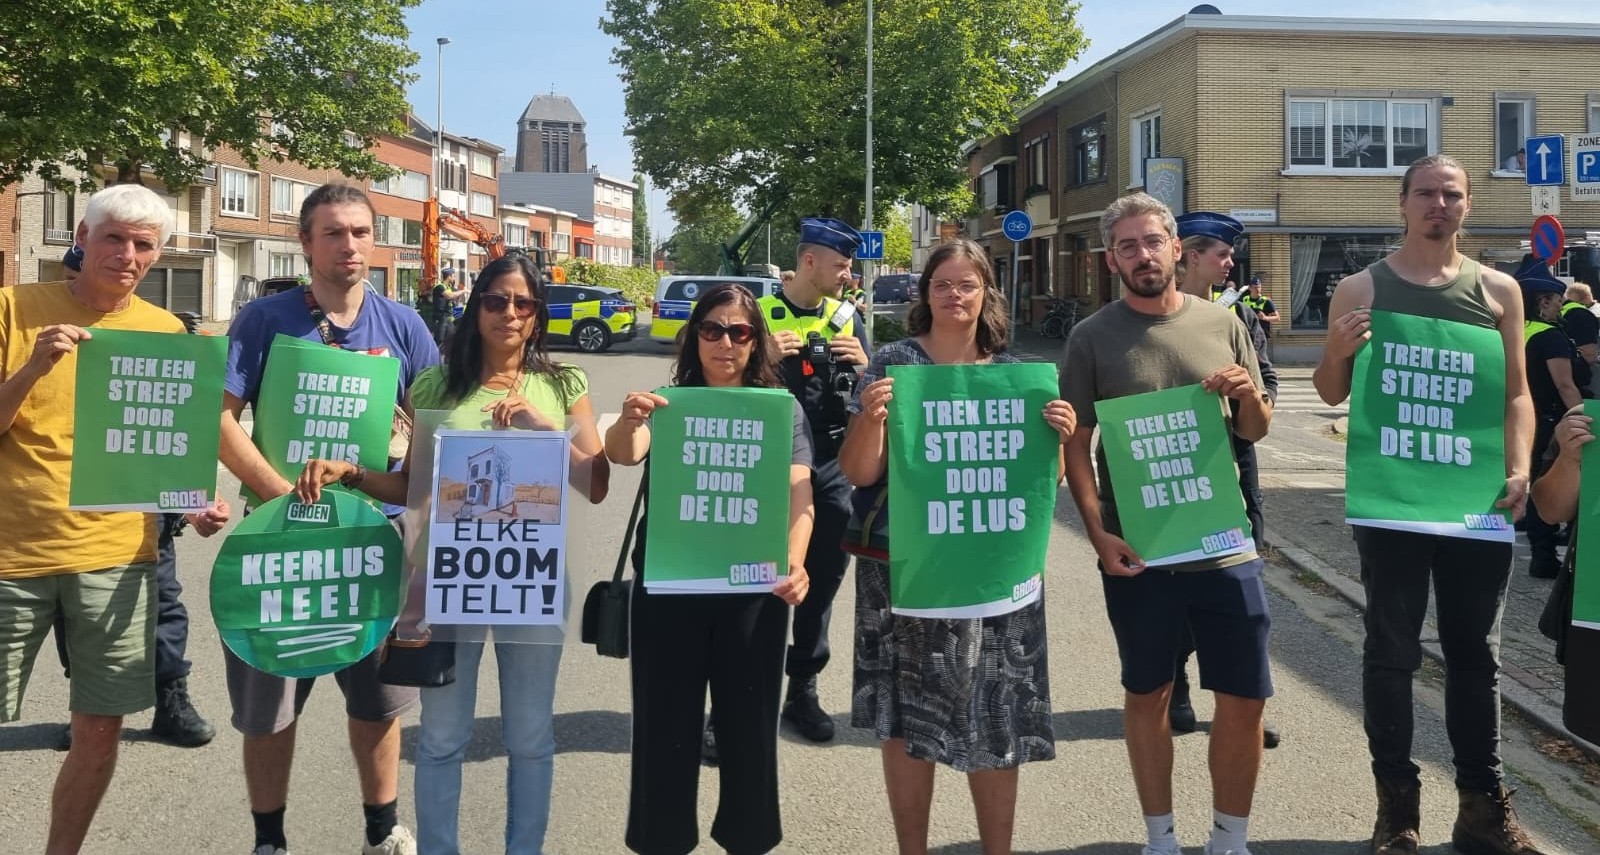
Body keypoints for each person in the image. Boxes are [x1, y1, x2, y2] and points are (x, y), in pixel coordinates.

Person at [294, 252, 611, 854]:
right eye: (496, 301)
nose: (509, 314)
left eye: (523, 303)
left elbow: (594, 483)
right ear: (476, 309)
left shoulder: (563, 384)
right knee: (441, 735)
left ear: (538, 315)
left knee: (530, 735)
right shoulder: (436, 385)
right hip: (447, 578)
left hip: (529, 577)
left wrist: (546, 430)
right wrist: (354, 474)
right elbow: (410, 484)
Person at [1312, 154, 1545, 855]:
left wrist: (1520, 465)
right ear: (1402, 202)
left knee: (1478, 654)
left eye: (1451, 194)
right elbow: (1329, 392)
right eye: (1425, 194)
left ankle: (1482, 809)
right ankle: (1397, 813)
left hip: (1475, 502)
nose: (1437, 205)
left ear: (1468, 205)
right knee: (1391, 652)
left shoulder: (1501, 291)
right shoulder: (1360, 287)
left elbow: (1516, 396)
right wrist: (1334, 346)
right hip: (1392, 504)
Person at [0, 184, 232, 853]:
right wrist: (34, 363)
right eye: (114, 238)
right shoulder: (16, 309)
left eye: (142, 245)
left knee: (100, 729)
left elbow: (166, 455)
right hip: (13, 553)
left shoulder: (167, 335)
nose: (127, 255)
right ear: (83, 233)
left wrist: (196, 503)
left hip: (116, 558)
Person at [220, 183, 440, 855]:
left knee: (379, 702)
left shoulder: (404, 325)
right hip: (281, 539)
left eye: (360, 232)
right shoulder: (263, 320)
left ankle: (381, 828)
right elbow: (219, 417)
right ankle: (269, 839)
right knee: (270, 704)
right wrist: (277, 491)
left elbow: (436, 426)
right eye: (333, 233)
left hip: (379, 542)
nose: (349, 245)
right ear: (305, 241)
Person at [839, 238, 1075, 855]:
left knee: (997, 710)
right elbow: (860, 473)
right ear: (925, 294)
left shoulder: (1016, 376)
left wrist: (1060, 442)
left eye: (967, 284)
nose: (954, 295)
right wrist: (870, 419)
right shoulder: (892, 363)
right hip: (906, 572)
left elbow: (1039, 485)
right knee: (905, 718)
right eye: (941, 283)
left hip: (993, 573)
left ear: (985, 293)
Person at [1061, 192, 1274, 855]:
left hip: (1223, 544)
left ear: (1175, 247)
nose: (1142, 254)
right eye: (1127, 245)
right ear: (1111, 258)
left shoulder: (1222, 322)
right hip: (1140, 550)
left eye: (1153, 240)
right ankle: (1159, 837)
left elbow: (1254, 429)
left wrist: (1247, 396)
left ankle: (1229, 837)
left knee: (1243, 699)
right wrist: (1098, 534)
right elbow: (1077, 445)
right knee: (1147, 692)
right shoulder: (1091, 336)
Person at [604, 282, 814, 855]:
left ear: (756, 342)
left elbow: (801, 494)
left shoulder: (780, 410)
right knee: (663, 729)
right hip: (669, 588)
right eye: (712, 330)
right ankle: (660, 839)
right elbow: (624, 452)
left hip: (753, 591)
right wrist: (627, 421)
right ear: (694, 336)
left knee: (748, 730)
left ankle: (748, 839)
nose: (725, 342)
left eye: (739, 332)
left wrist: (795, 563)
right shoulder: (667, 402)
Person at [48, 244, 218, 752]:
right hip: (72, 503)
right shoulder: (47, 334)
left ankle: (172, 698)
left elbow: (187, 421)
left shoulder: (162, 330)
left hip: (144, 499)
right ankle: (88, 708)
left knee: (162, 601)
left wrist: (192, 497)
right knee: (76, 613)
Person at [741, 217, 870, 749]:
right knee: (756, 580)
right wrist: (761, 353)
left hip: (833, 460)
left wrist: (866, 365)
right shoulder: (754, 313)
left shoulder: (848, 316)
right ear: (809, 261)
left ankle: (803, 689)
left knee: (820, 582)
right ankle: (746, 693)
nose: (848, 275)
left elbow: (875, 393)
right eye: (841, 265)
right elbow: (709, 371)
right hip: (766, 462)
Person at [1171, 212, 1282, 750]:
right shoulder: (1154, 312)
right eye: (1221, 253)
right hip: (1182, 465)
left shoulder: (1240, 314)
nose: (1231, 262)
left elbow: (1269, 376)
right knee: (1183, 584)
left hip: (1237, 459)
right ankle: (1176, 684)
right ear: (1190, 256)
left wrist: (1255, 401)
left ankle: (1245, 703)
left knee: (1244, 584)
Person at [1518, 261, 1586, 581]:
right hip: (1554, 423)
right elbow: (1565, 384)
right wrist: (1584, 420)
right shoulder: (1550, 337)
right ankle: (1547, 557)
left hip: (1527, 417)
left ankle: (1541, 554)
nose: (1562, 305)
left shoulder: (1518, 331)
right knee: (1556, 487)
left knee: (1536, 486)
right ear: (1543, 301)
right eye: (1558, 299)